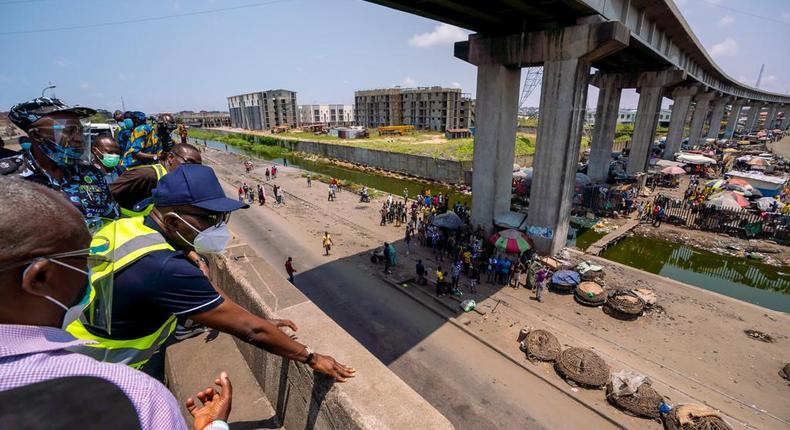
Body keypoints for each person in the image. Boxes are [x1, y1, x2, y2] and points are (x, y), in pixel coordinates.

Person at [65, 165, 356, 382]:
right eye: (208, 218)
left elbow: (205, 295)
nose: (218, 226)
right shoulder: (166, 267)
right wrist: (311, 357)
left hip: (76, 345)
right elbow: (249, 331)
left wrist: (255, 317)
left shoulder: (126, 228)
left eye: (221, 218)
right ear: (172, 221)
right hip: (102, 371)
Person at [0, 177, 232, 430]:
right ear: (40, 277)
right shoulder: (134, 396)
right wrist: (212, 426)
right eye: (84, 260)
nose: (94, 272)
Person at [3, 97, 118, 220]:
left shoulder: (91, 173)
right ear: (36, 135)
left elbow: (112, 220)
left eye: (80, 131)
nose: (79, 139)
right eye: (68, 131)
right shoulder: (6, 179)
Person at [110, 143, 202, 217]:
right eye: (189, 162)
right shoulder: (146, 175)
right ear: (171, 158)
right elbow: (107, 196)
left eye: (198, 166)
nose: (193, 168)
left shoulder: (181, 179)